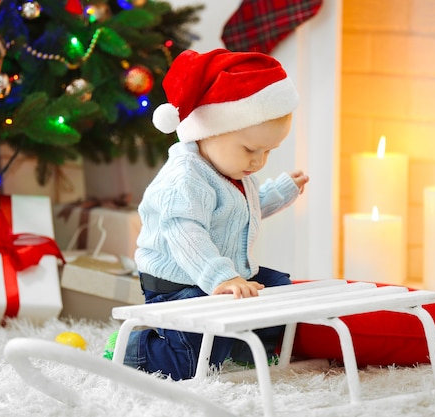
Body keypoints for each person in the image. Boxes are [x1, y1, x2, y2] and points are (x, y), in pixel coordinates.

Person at [104, 48, 309, 381]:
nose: (258, 161)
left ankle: (242, 350)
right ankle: (135, 347)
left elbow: (241, 213)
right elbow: (188, 235)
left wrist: (281, 192)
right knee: (192, 354)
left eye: (268, 152)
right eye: (251, 149)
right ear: (208, 131)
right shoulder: (185, 178)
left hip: (222, 274)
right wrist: (222, 279)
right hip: (177, 281)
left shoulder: (233, 169)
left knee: (279, 290)